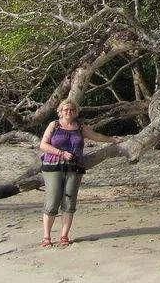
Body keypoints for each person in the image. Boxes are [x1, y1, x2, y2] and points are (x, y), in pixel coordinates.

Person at [39, 99, 117, 248]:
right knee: (53, 199)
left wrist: (112, 140)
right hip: (53, 166)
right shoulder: (54, 125)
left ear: (76, 112)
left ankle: (64, 235)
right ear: (60, 111)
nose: (69, 112)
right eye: (66, 109)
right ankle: (46, 236)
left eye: (72, 110)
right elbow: (43, 145)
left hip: (75, 168)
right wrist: (61, 153)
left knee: (69, 200)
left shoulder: (80, 128)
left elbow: (96, 136)